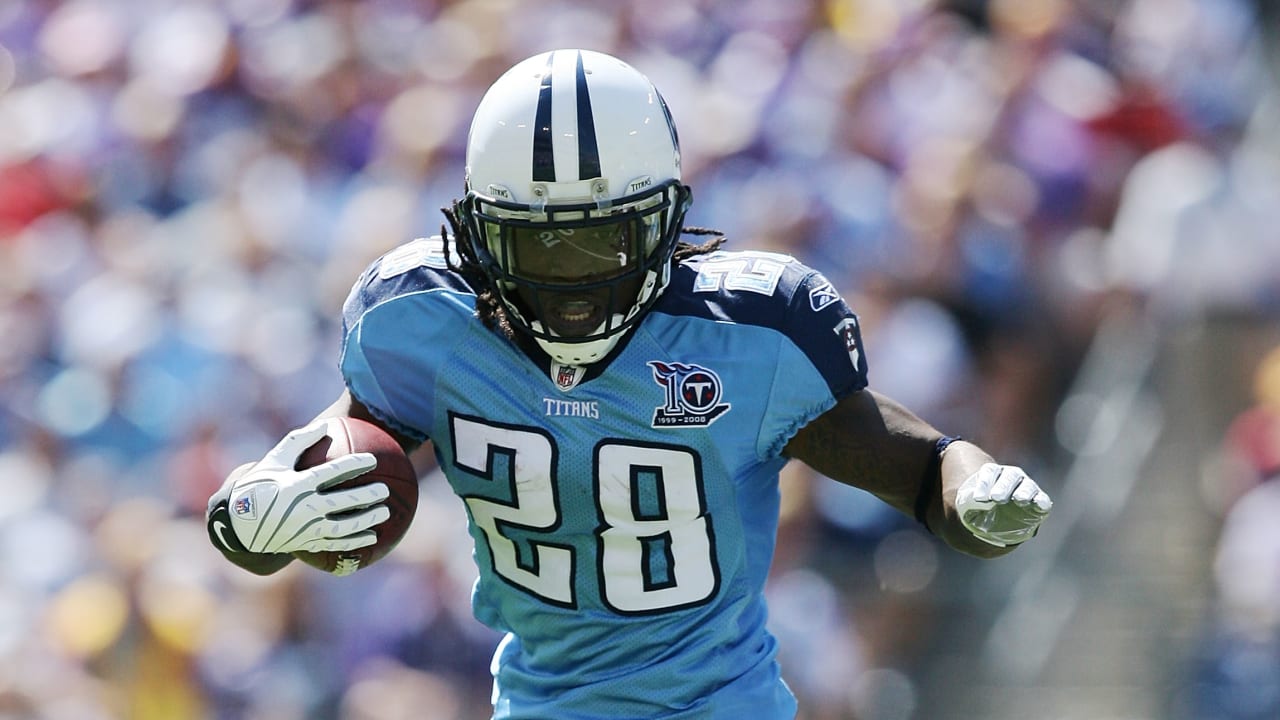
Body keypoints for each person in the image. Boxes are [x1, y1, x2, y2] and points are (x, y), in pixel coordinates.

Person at [205, 49, 1053, 720]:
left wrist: (973, 490)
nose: (571, 277)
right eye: (538, 245)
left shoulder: (748, 336)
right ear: (475, 234)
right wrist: (252, 513)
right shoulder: (422, 322)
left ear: (667, 220)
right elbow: (338, 456)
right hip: (537, 705)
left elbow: (915, 464)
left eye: (602, 241)